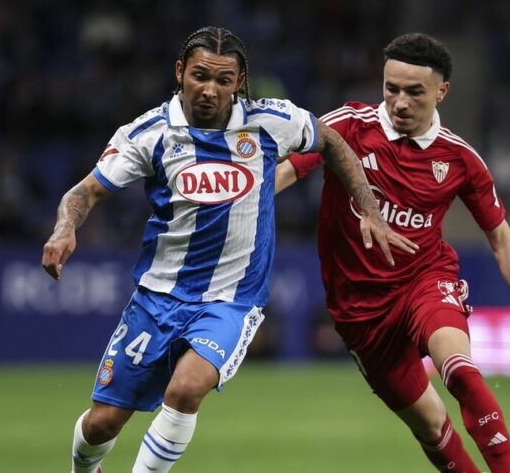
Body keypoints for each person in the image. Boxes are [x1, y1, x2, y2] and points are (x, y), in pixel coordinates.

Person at [42, 26, 411, 473]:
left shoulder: (270, 122)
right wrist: (65, 228)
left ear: (239, 81)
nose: (209, 90)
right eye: (200, 76)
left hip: (231, 301)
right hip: (156, 298)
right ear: (180, 72)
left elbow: (332, 142)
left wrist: (368, 207)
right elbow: (84, 193)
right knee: (103, 423)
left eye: (223, 80)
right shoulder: (150, 133)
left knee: (186, 389)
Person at [276, 33, 510, 473]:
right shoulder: (348, 125)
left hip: (424, 281)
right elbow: (287, 169)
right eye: (391, 89)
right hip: (359, 311)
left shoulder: (460, 159)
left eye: (414, 91)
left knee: (459, 369)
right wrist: (237, 207)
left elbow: (502, 237)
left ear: (442, 91)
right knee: (430, 428)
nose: (399, 102)